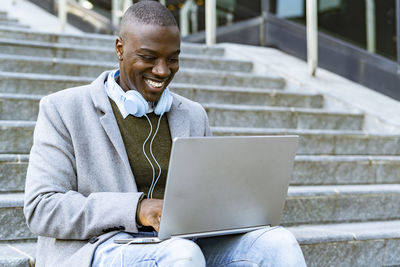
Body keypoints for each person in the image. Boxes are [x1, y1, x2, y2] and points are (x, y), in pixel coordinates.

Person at [23, 1, 307, 266]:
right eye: (148, 57)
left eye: (172, 59)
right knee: (181, 255)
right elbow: (42, 207)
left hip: (183, 243)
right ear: (120, 48)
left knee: (278, 243)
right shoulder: (63, 109)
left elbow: (205, 198)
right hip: (102, 246)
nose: (162, 71)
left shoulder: (193, 115)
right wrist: (137, 209)